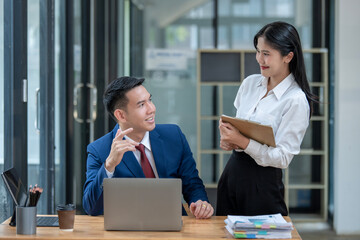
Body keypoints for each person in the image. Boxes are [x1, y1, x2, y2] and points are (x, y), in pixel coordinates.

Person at [216, 21, 317, 216]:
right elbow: (240, 128)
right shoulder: (250, 83)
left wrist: (243, 142)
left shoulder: (295, 100)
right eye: (258, 51)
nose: (259, 59)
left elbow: (283, 157)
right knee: (224, 233)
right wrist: (230, 139)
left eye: (267, 54)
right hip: (232, 173)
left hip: (262, 183)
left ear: (288, 56)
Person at [83, 76, 214, 219]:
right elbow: (91, 207)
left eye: (150, 100)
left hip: (173, 225)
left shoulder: (174, 136)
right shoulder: (99, 150)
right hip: (128, 228)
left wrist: (200, 202)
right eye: (141, 105)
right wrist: (109, 166)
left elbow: (192, 184)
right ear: (121, 115)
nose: (151, 109)